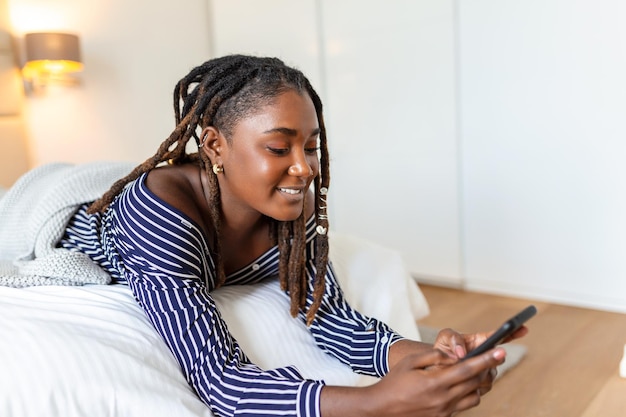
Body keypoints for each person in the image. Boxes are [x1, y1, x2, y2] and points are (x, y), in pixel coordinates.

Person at [58, 54, 526, 417]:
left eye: (312, 146)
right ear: (215, 144)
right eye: (279, 147)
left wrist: (431, 355)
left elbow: (335, 321)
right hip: (66, 213)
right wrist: (374, 403)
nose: (303, 168)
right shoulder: (160, 216)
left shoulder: (288, 209)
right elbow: (219, 380)